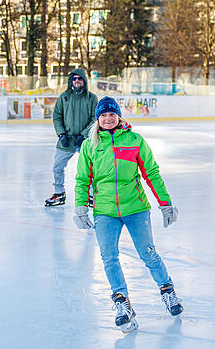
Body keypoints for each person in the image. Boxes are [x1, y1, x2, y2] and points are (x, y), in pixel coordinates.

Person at [73, 97, 182, 333]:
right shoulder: (90, 146)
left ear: (119, 116)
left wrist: (165, 203)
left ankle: (167, 291)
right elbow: (82, 179)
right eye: (103, 115)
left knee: (148, 253)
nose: (108, 118)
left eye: (112, 114)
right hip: (105, 211)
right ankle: (122, 302)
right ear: (98, 119)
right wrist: (80, 206)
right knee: (108, 256)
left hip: (135, 208)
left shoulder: (134, 140)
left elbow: (151, 173)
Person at [45, 68, 98, 207]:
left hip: (84, 140)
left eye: (79, 78)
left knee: (90, 168)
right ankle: (59, 193)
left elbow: (95, 118)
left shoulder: (92, 98)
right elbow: (57, 116)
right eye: (74, 79)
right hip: (66, 140)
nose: (77, 81)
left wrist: (84, 134)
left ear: (84, 81)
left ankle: (92, 195)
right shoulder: (64, 97)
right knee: (57, 167)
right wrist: (61, 134)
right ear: (71, 81)